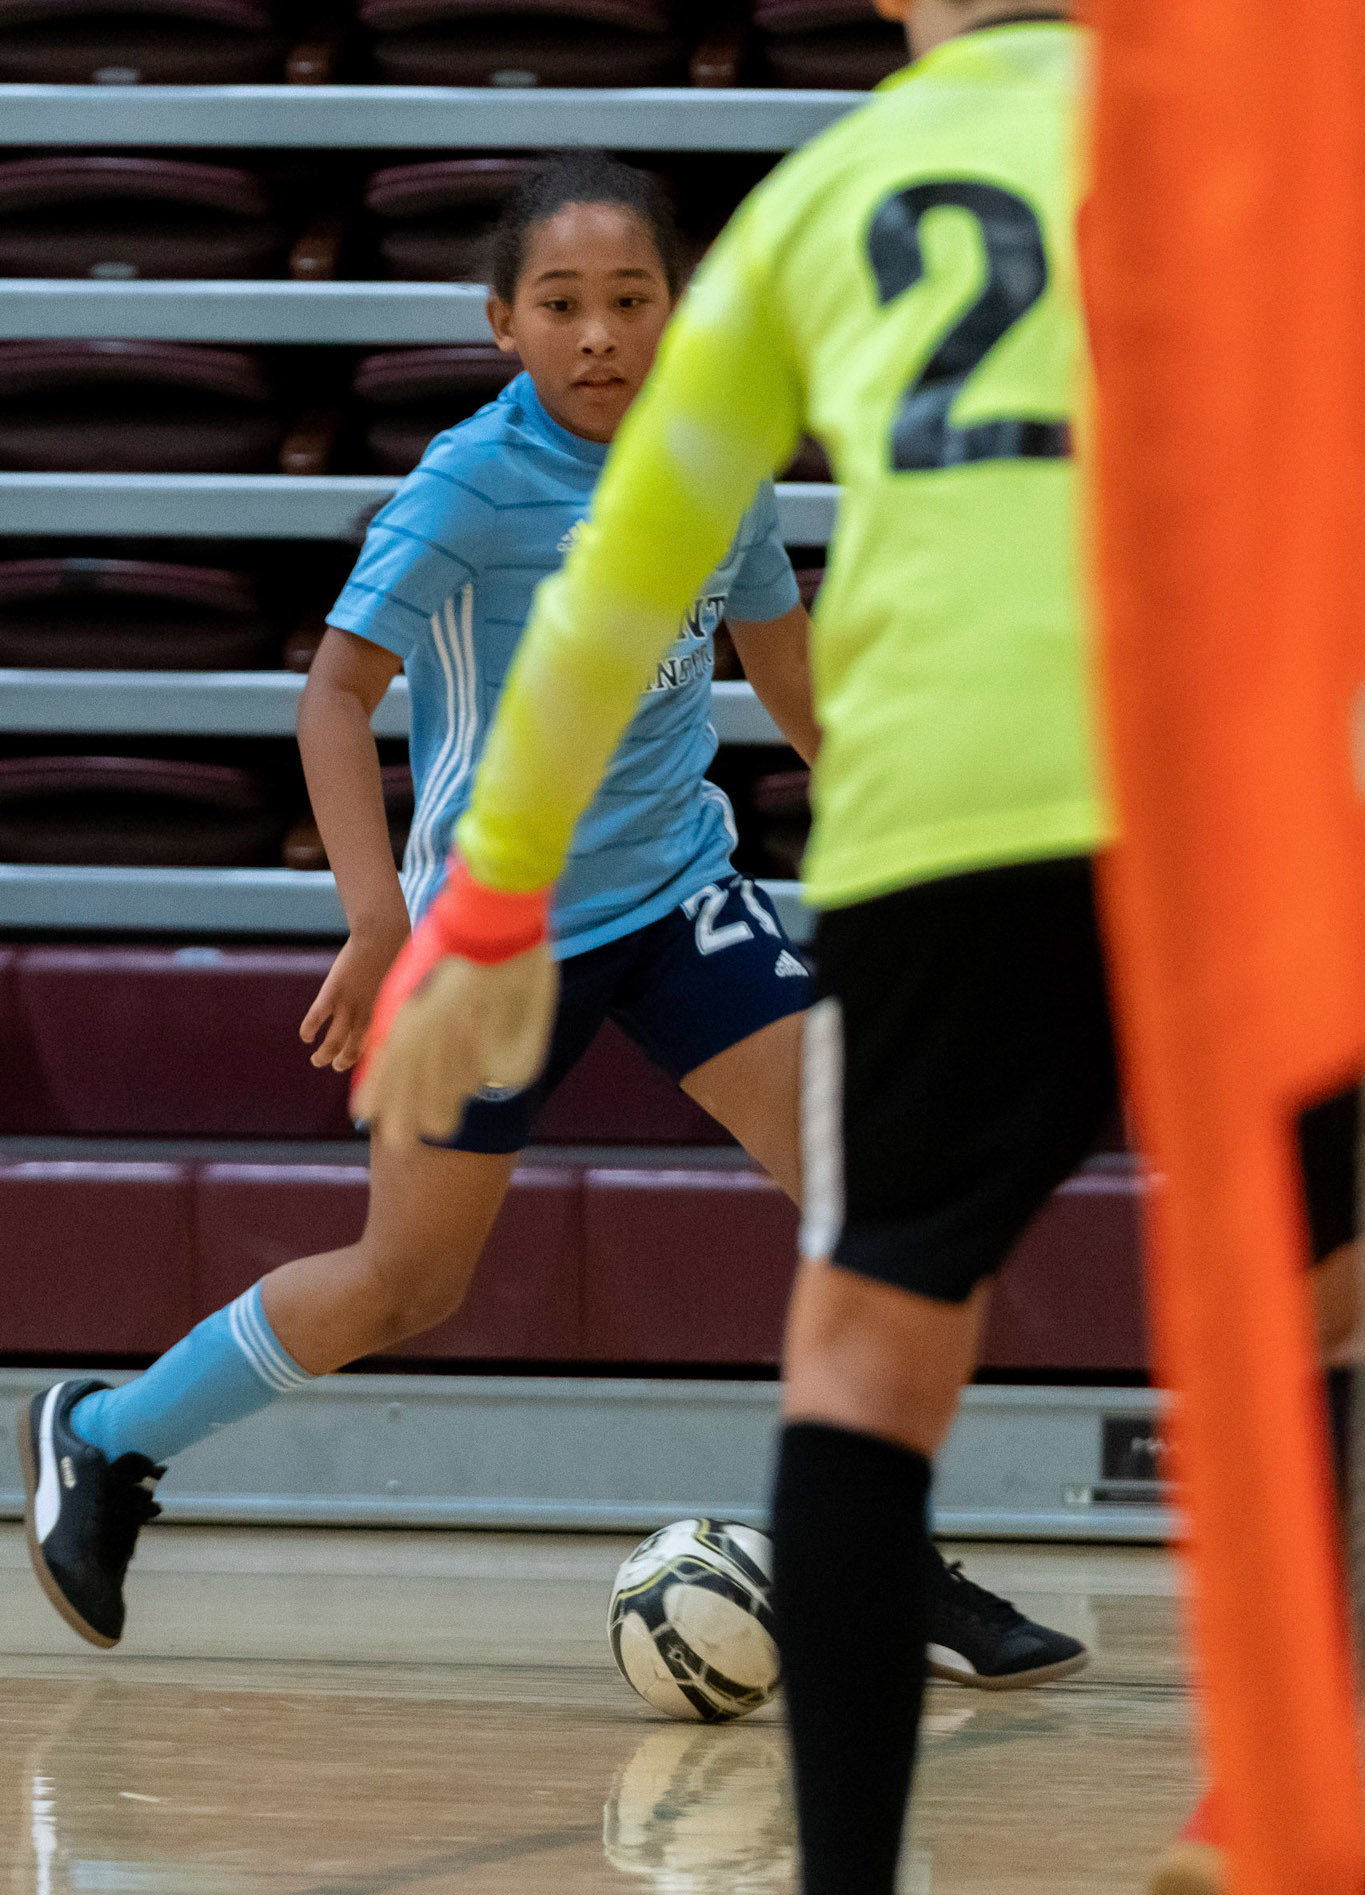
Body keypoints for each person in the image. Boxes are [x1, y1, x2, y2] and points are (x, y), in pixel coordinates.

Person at [348, 14, 1363, 1895]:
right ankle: (1273, 1810)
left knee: (865, 1365)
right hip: (1236, 788)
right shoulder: (1251, 139)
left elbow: (621, 581)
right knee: (1321, 1318)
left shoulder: (825, 202)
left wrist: (488, 896)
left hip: (944, 816)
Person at [16, 151, 1080, 1701]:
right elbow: (333, 696)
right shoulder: (471, 483)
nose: (599, 334)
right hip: (493, 938)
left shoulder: (719, 461)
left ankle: (875, 1548)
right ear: (502, 325)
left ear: (678, 311)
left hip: (676, 893)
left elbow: (786, 673)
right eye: (563, 305)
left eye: (631, 300)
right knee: (406, 1283)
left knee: (872, 1200)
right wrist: (376, 920)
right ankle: (108, 1437)